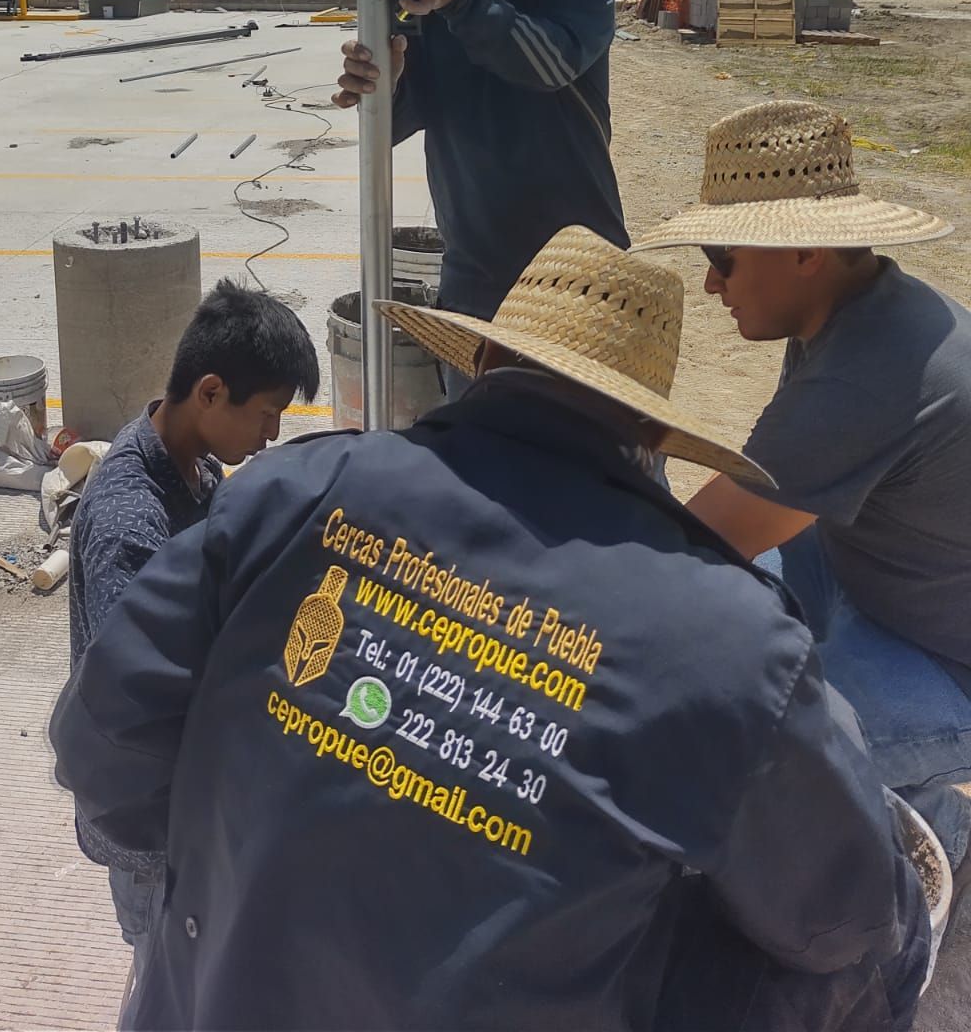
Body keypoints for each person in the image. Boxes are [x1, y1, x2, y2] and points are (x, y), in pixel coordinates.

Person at [50, 228, 927, 1032]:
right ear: (653, 433)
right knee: (892, 944)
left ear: (482, 361)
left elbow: (102, 745)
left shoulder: (293, 492)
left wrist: (240, 866)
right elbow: (846, 918)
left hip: (209, 1003)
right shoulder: (730, 642)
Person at [635, 99, 971, 892]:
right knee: (719, 644)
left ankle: (925, 830)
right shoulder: (858, 310)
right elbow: (755, 497)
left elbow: (698, 541)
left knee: (748, 770)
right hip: (875, 575)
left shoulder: (867, 375)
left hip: (943, 658)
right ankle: (903, 808)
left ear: (806, 251)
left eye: (722, 256)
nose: (711, 283)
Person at [65, 279, 319, 994]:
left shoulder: (194, 462)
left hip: (188, 806)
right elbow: (133, 703)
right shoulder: (129, 519)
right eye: (266, 413)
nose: (272, 434)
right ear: (210, 392)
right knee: (165, 989)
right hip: (154, 826)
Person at [334, 0, 628, 391]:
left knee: (590, 441)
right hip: (477, 293)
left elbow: (549, 65)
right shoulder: (434, 12)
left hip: (582, 285)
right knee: (479, 441)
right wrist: (382, 85)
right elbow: (400, 122)